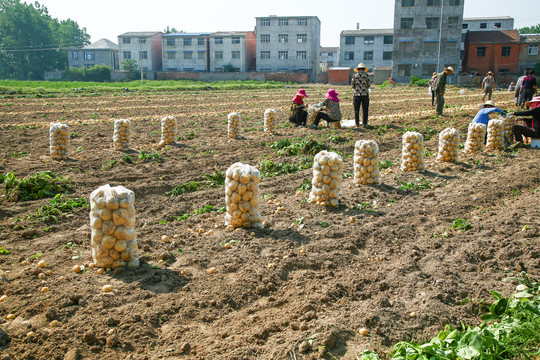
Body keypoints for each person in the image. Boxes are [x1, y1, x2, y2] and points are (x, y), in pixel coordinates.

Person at [351, 63, 371, 127]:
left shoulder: (355, 76)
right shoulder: (366, 75)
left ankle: (357, 124)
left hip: (356, 95)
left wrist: (357, 89)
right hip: (365, 94)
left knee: (356, 110)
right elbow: (368, 85)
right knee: (365, 109)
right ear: (364, 69)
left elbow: (352, 85)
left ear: (358, 69)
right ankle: (365, 123)